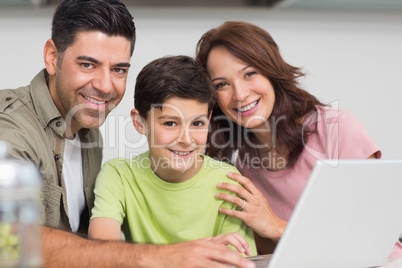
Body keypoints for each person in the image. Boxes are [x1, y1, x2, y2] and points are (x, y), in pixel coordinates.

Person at [0, 2, 256, 266]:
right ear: (53, 57)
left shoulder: (87, 130)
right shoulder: (10, 128)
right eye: (88, 65)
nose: (105, 86)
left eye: (119, 69)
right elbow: (8, 241)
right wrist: (165, 256)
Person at [195, 20, 402, 258]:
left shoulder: (335, 128)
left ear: (271, 72)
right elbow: (277, 254)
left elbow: (370, 231)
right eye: (222, 84)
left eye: (250, 73)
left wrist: (276, 226)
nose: (240, 94)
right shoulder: (240, 164)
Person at [88, 55, 257, 257]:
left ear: (209, 119)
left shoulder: (229, 182)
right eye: (170, 123)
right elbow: (102, 255)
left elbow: (238, 261)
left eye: (197, 123)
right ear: (139, 122)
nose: (186, 139)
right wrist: (186, 254)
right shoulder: (119, 175)